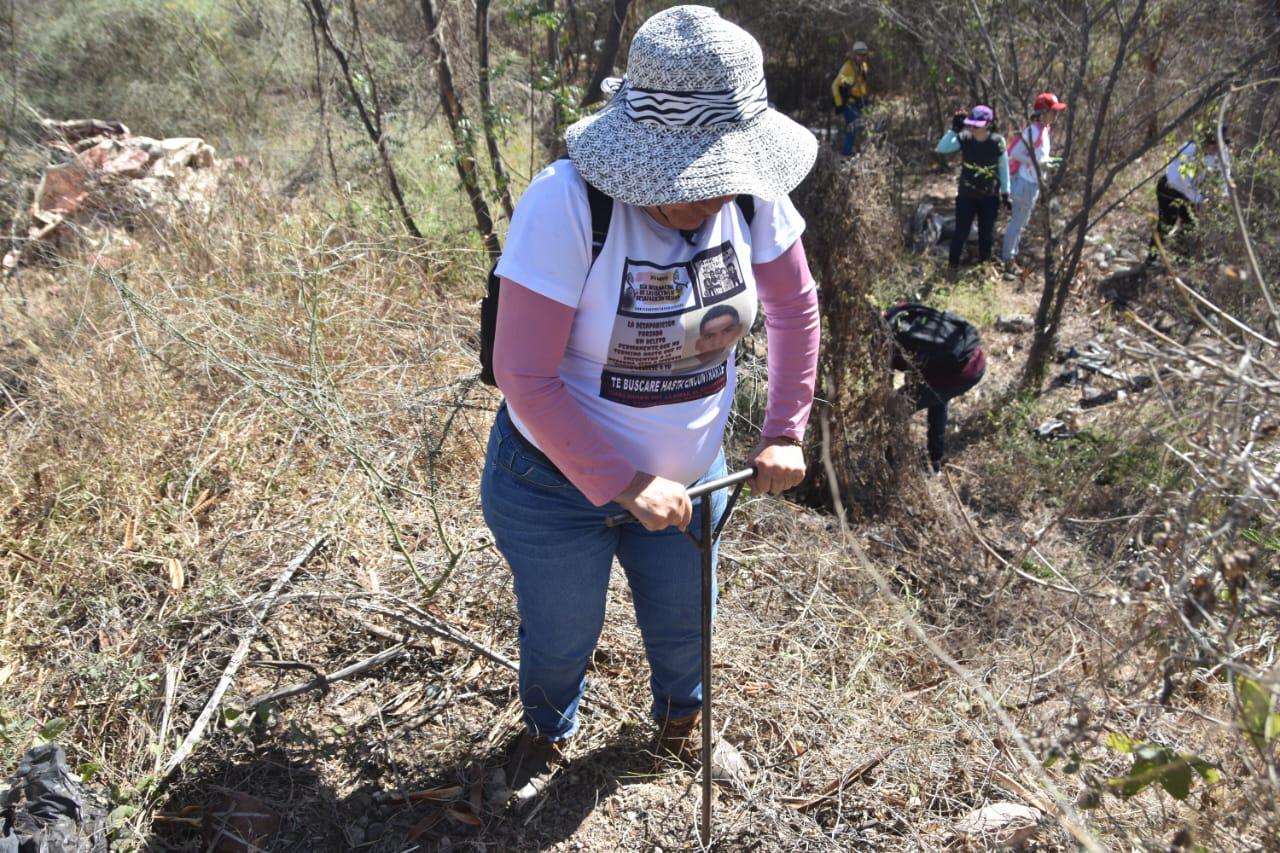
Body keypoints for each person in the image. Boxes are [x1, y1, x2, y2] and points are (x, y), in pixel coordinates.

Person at [483, 5, 820, 804]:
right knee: (561, 632)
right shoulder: (568, 205)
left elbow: (795, 308)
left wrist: (785, 429)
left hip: (691, 480)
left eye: (714, 179)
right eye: (680, 182)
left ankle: (681, 722)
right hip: (553, 487)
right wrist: (623, 482)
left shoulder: (752, 198)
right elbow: (522, 372)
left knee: (684, 620)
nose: (701, 200)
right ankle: (548, 729)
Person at [885, 303, 986, 471]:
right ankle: (935, 460)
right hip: (975, 357)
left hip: (961, 373)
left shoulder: (884, 341)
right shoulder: (903, 309)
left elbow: (886, 388)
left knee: (894, 408)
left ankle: (893, 465)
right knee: (937, 398)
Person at [936, 105, 1010, 272]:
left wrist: (1006, 193)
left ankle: (984, 269)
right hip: (967, 195)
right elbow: (942, 148)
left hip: (990, 196)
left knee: (986, 235)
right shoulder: (964, 138)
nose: (973, 128)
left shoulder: (998, 142)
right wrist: (954, 130)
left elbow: (1003, 168)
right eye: (971, 124)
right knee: (960, 232)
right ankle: (952, 267)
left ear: (988, 124)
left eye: (977, 125)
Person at [1001, 92, 1067, 266]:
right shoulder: (1032, 130)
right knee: (1017, 222)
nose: (1056, 115)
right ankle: (1007, 258)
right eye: (1053, 111)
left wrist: (1046, 163)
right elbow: (1014, 154)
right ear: (1043, 112)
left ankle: (1011, 256)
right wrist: (1037, 163)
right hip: (1024, 183)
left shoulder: (1045, 130)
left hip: (1032, 184)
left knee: (1021, 223)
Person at [1150, 131, 1227, 260]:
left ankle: (1181, 257)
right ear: (1207, 143)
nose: (1217, 149)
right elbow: (1185, 181)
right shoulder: (1189, 151)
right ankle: (1151, 258)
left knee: (1190, 225)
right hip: (1170, 189)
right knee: (1167, 224)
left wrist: (1224, 193)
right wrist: (1199, 199)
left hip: (1189, 193)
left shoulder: (1218, 154)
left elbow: (1224, 171)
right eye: (1215, 145)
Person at [831, 41, 871, 156]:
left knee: (863, 127)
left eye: (864, 55)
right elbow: (834, 85)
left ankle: (858, 153)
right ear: (854, 55)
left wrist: (864, 98)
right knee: (852, 128)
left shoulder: (864, 66)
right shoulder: (847, 67)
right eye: (859, 55)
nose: (862, 57)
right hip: (849, 103)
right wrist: (839, 105)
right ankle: (846, 154)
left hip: (860, 102)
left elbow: (862, 85)